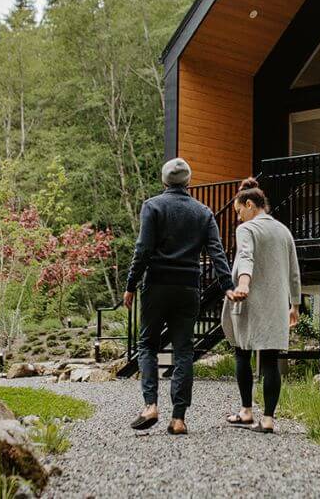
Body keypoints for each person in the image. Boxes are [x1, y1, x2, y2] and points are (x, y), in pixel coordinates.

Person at [123, 157, 233, 435]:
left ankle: (150, 405)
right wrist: (227, 285)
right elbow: (217, 252)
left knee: (147, 344)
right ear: (188, 182)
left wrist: (131, 284)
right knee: (184, 351)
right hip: (188, 287)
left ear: (164, 181)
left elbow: (142, 250)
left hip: (157, 284)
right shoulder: (203, 212)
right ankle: (179, 419)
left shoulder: (153, 206)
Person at [221, 177, 300, 434]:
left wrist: (243, 284)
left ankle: (246, 411)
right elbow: (294, 272)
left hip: (249, 302)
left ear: (250, 204)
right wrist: (295, 305)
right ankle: (267, 419)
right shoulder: (284, 231)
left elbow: (245, 257)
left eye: (239, 211)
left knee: (242, 352)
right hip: (277, 305)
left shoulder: (248, 229)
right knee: (270, 359)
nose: (239, 217)